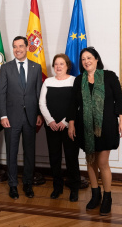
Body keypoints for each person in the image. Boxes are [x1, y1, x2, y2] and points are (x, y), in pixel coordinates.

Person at [68, 47, 122, 216]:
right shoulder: (79, 80)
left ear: (96, 59)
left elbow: (119, 100)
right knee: (90, 161)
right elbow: (73, 104)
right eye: (83, 59)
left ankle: (107, 197)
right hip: (84, 127)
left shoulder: (109, 76)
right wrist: (71, 124)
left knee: (102, 163)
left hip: (106, 126)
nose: (86, 61)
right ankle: (95, 195)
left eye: (89, 58)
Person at [0, 36, 43, 199]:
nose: (18, 49)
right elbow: (1, 93)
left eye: (21, 46)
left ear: (27, 47)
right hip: (11, 117)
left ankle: (28, 184)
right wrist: (3, 115)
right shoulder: (6, 68)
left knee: (29, 153)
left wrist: (39, 113)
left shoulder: (36, 67)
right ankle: (13, 185)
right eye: (15, 46)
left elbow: (39, 93)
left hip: (31, 117)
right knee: (12, 152)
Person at [39, 54, 81, 202]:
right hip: (51, 127)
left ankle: (74, 188)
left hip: (69, 126)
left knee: (71, 158)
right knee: (54, 157)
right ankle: (57, 187)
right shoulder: (48, 82)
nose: (58, 67)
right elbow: (42, 104)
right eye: (56, 64)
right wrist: (50, 121)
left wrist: (65, 121)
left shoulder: (74, 81)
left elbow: (76, 104)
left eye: (61, 64)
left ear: (67, 66)